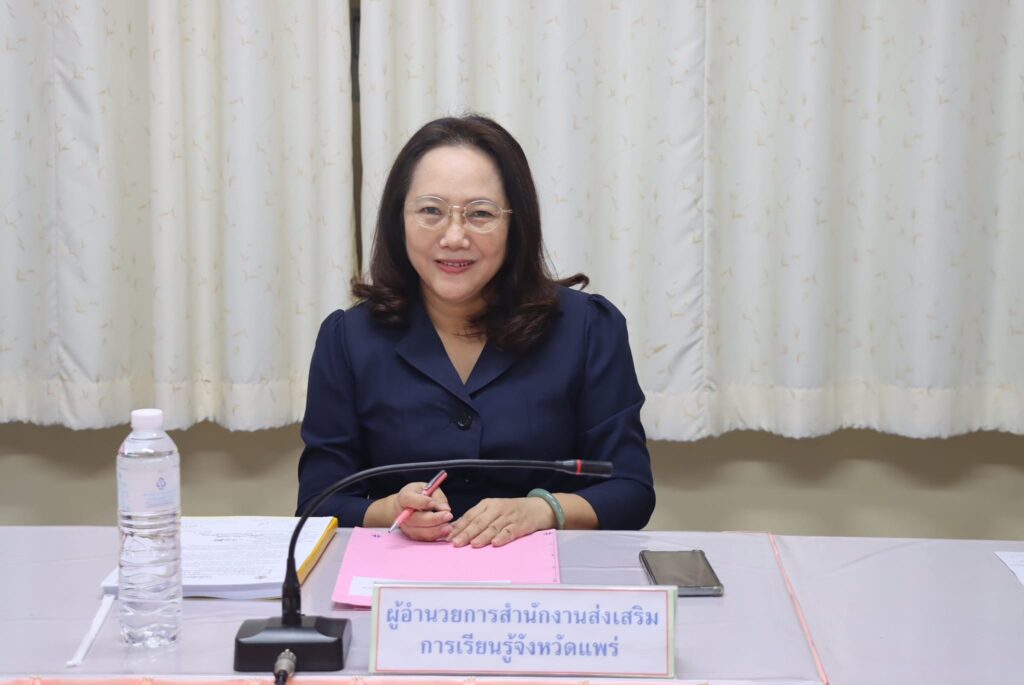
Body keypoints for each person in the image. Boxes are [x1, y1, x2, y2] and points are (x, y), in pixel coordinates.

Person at [297, 114, 654, 547]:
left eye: (480, 213)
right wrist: (391, 511)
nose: (454, 237)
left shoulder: (588, 328)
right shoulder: (348, 339)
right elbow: (318, 502)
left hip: (547, 578)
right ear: (399, 218)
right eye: (431, 211)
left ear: (515, 225)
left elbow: (631, 489)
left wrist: (543, 510)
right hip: (403, 577)